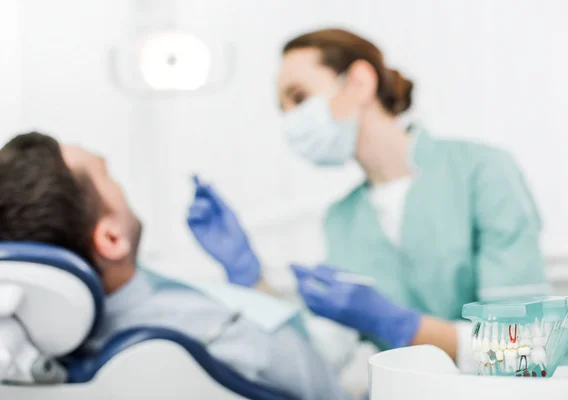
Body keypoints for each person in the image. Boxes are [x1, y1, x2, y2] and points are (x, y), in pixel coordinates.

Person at [188, 28, 568, 370]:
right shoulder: (342, 219)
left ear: (360, 82)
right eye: (283, 109)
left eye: (298, 97)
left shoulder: (481, 171)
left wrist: (401, 326)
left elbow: (528, 348)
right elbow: (316, 357)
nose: (292, 121)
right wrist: (247, 275)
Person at [0, 132, 347, 400]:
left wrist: (247, 279)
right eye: (109, 178)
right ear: (110, 238)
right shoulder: (220, 338)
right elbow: (326, 389)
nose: (121, 187)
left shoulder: (41, 347)